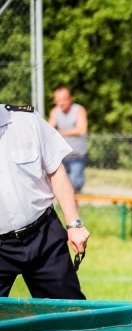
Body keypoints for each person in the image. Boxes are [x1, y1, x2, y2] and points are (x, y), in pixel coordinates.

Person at [0, 104, 90, 299]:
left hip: (43, 235)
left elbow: (55, 170)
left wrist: (74, 224)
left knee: (69, 312)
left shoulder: (26, 120)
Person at [48, 86, 88, 193]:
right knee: (61, 187)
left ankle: (74, 203)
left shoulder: (79, 110)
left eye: (63, 100)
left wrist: (60, 132)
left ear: (70, 98)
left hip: (77, 156)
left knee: (75, 186)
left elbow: (81, 130)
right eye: (58, 100)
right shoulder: (55, 112)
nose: (61, 103)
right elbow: (49, 130)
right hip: (61, 157)